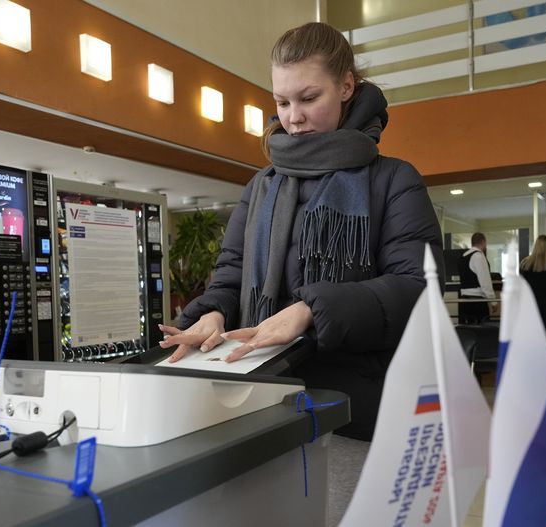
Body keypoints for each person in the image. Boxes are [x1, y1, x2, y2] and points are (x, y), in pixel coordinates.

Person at [158, 22, 443, 524]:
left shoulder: (393, 180)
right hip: (260, 410)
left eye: (309, 98)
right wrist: (213, 313)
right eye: (282, 102)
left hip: (352, 412)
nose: (293, 117)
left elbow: (417, 288)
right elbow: (230, 275)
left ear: (347, 86)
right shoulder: (261, 186)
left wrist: (312, 309)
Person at [458, 232, 497, 324]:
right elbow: (485, 282)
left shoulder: (463, 257)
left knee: (467, 330)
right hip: (477, 302)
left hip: (463, 301)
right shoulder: (479, 256)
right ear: (483, 242)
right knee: (481, 331)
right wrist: (493, 302)